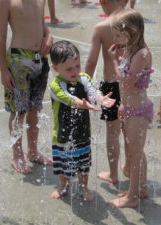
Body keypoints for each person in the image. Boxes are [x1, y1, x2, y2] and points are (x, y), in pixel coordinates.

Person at [49, 40, 116, 201]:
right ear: (55, 68)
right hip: (62, 135)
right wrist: (83, 104)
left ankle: (83, 187)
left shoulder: (83, 78)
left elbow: (92, 92)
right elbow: (69, 99)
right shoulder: (56, 85)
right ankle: (63, 186)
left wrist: (101, 99)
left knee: (83, 164)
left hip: (83, 132)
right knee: (63, 165)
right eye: (69, 68)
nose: (75, 71)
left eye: (77, 65)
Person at [0, 0, 53, 174]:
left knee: (35, 109)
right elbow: (0, 35)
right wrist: (3, 69)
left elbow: (43, 26)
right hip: (18, 61)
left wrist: (49, 37)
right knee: (18, 112)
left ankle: (33, 152)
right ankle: (17, 155)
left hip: (40, 60)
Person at [107, 9, 153, 208]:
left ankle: (132, 197)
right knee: (136, 152)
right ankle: (141, 187)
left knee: (135, 153)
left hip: (139, 111)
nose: (114, 38)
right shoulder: (128, 49)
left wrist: (113, 61)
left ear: (132, 32)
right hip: (130, 108)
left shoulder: (142, 54)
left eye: (118, 34)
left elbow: (126, 83)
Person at [85, 0, 127, 185]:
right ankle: (130, 166)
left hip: (111, 86)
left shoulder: (102, 27)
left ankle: (113, 173)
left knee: (112, 132)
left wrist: (84, 86)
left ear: (102, 2)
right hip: (131, 84)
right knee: (129, 129)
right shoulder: (134, 21)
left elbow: (91, 61)